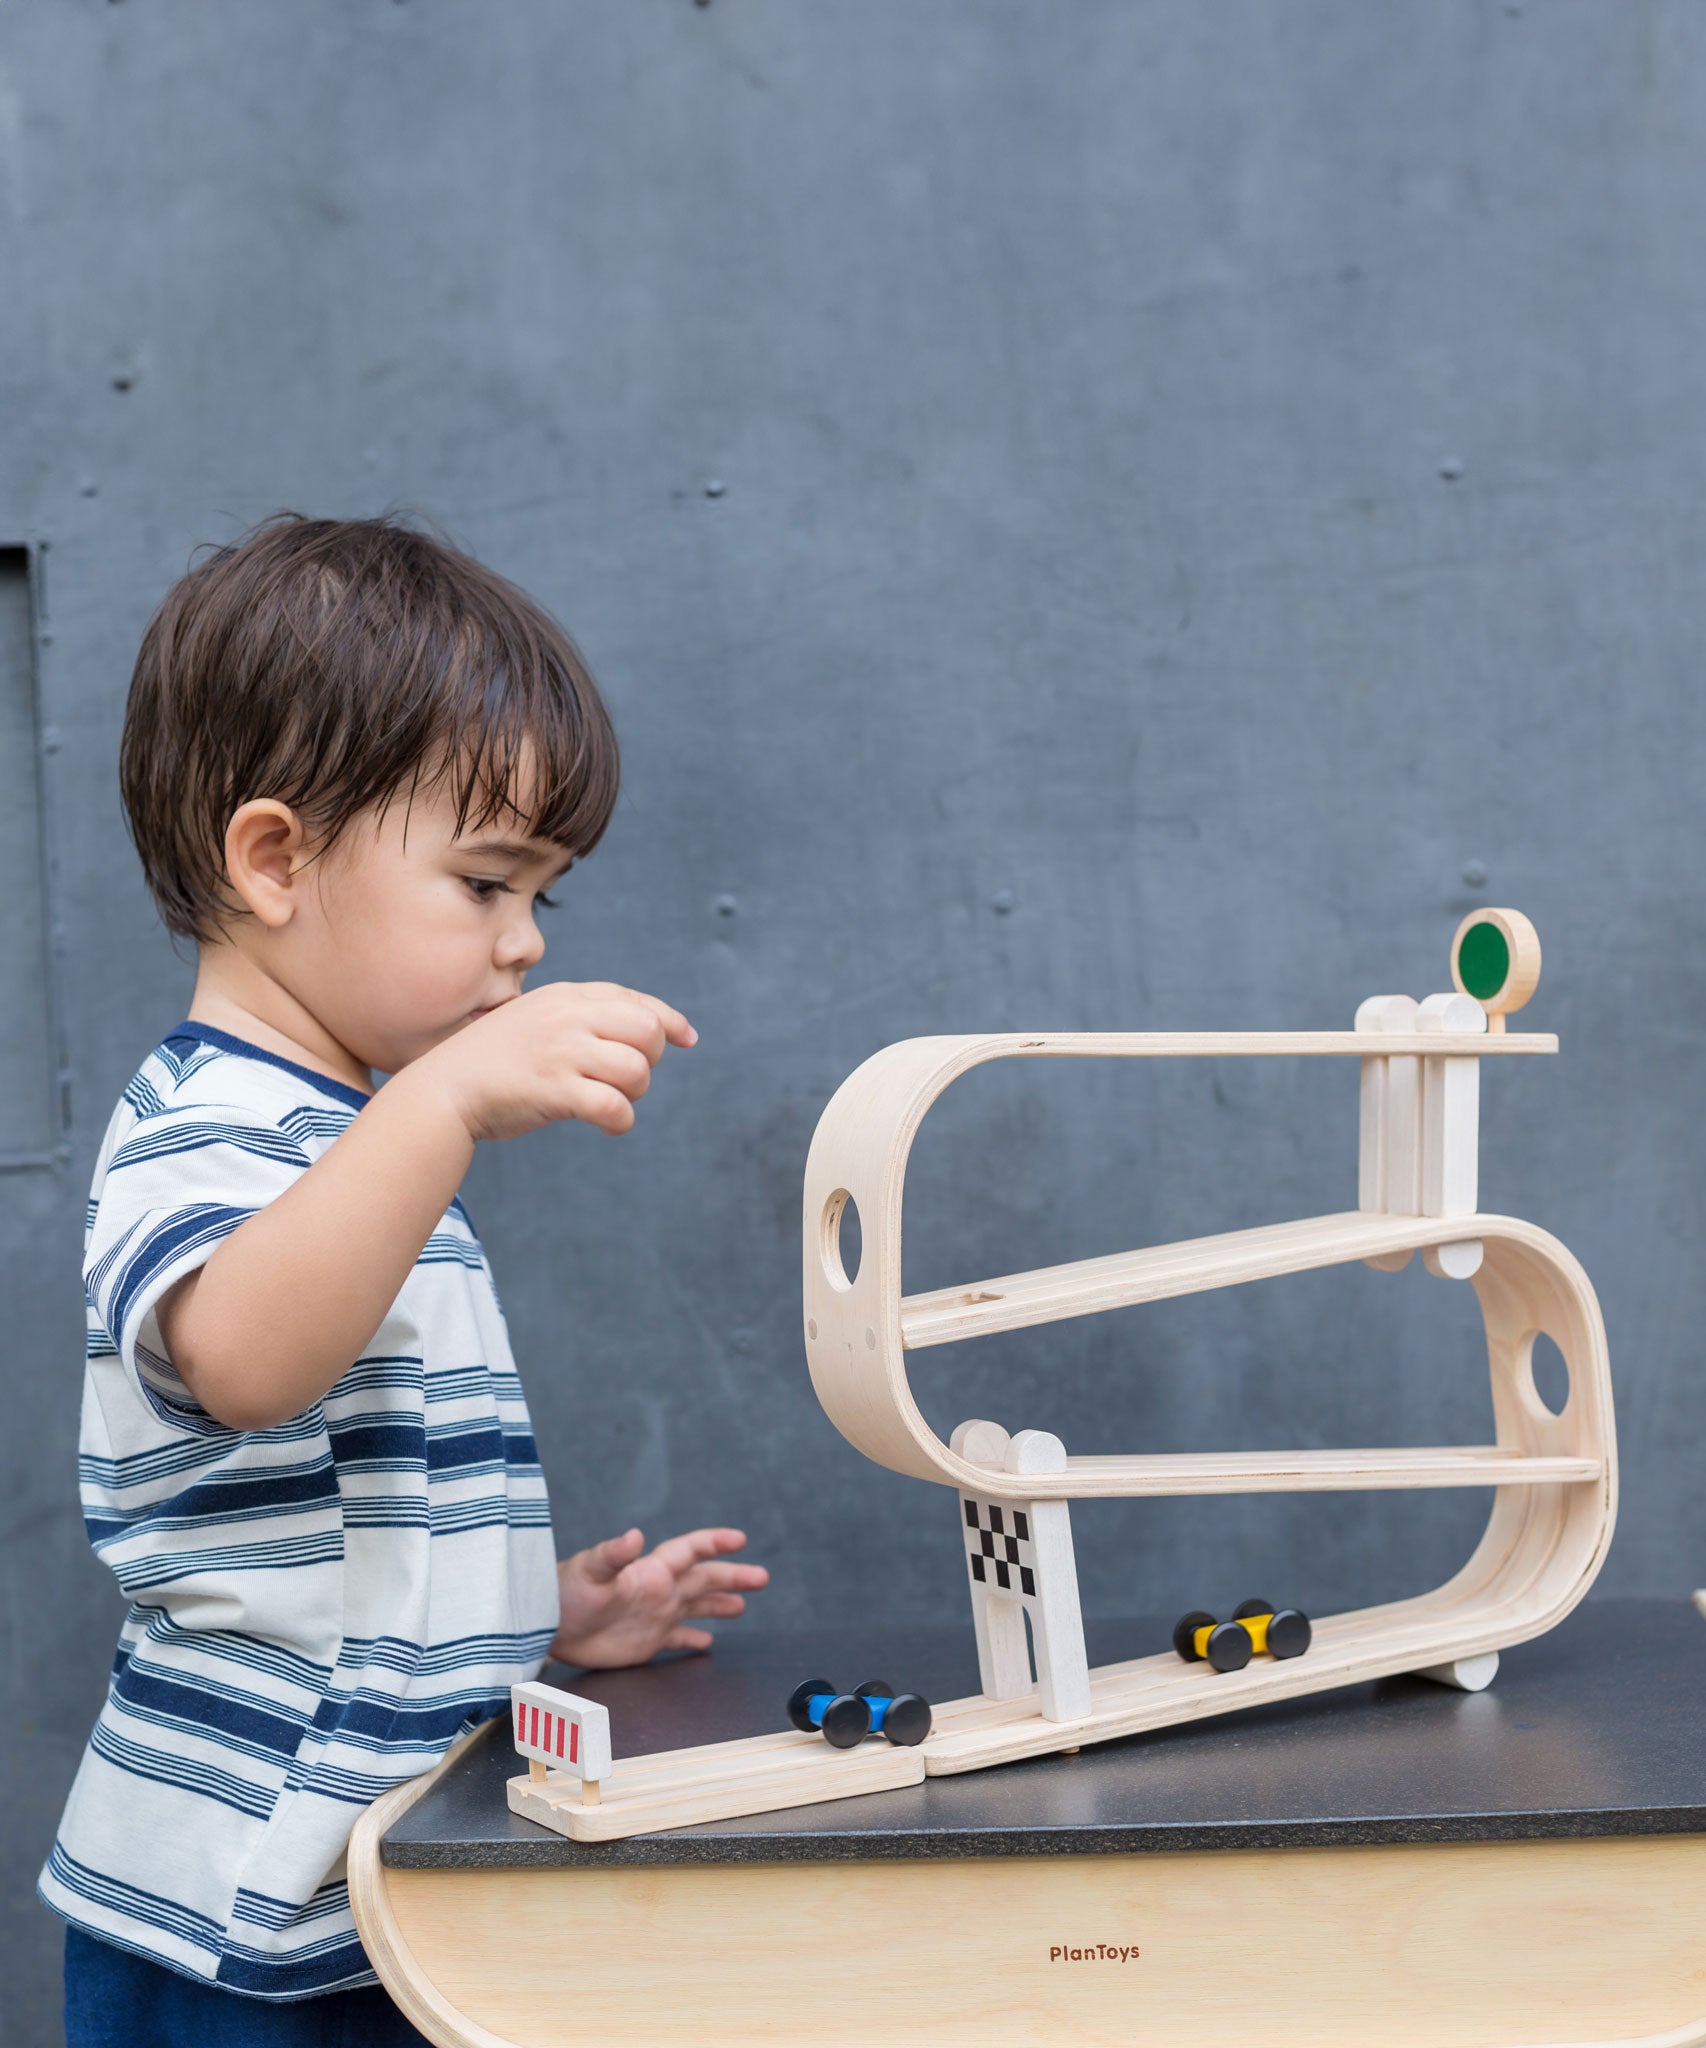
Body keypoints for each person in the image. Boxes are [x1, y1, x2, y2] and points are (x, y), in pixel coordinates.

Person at [39, 514, 768, 2044]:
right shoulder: (204, 1128)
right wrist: (438, 1108)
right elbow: (243, 1363)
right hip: (233, 1918)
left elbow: (337, 1511)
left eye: (542, 900)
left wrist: (534, 1620)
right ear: (275, 858)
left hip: (366, 1889)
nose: (519, 948)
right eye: (485, 883)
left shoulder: (345, 1141)